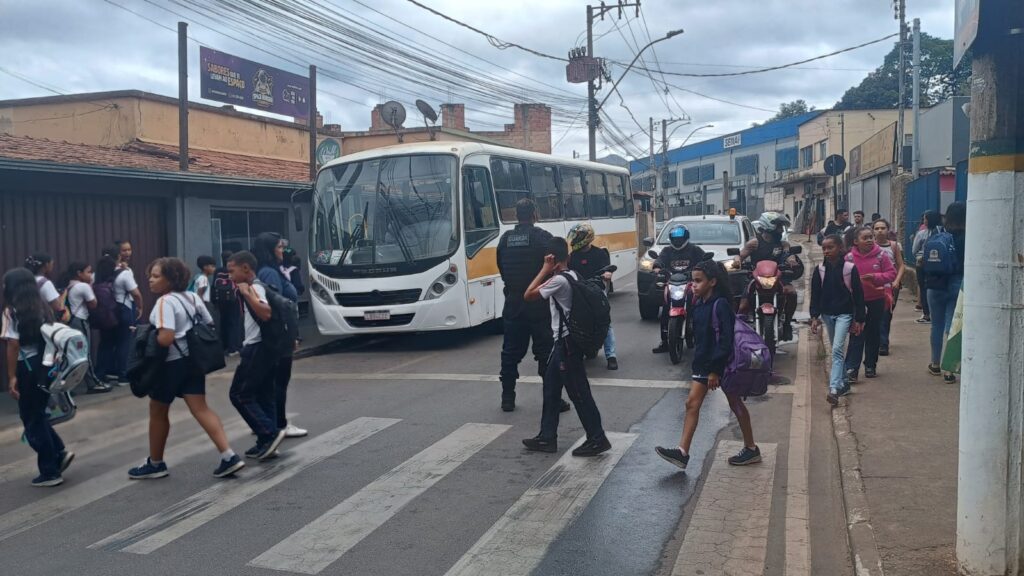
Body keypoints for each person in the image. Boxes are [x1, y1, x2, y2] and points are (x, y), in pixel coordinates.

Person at [127, 257, 245, 480]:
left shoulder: (164, 302)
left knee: (158, 410)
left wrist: (146, 336)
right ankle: (228, 455)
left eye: (156, 276)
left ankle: (156, 463)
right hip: (192, 361)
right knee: (201, 409)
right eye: (150, 276)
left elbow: (166, 338)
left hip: (169, 365)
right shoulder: (192, 297)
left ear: (171, 279)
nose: (150, 280)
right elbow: (209, 322)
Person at [655, 260, 761, 469]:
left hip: (721, 365)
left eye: (698, 281)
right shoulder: (699, 303)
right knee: (691, 404)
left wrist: (715, 371)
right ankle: (682, 452)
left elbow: (725, 340)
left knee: (735, 404)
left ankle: (751, 448)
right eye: (692, 281)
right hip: (704, 363)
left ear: (712, 282)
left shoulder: (720, 305)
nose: (693, 285)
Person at [521, 237, 611, 457]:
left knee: (579, 392)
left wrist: (544, 270)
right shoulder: (573, 274)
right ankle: (547, 437)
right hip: (563, 343)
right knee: (551, 389)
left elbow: (528, 295)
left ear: (551, 259)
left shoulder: (559, 280)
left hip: (567, 344)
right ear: (568, 256)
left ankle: (597, 438)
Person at [3, 268, 73, 487]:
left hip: (27, 368)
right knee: (38, 414)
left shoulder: (12, 311)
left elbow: (13, 344)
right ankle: (59, 452)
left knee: (31, 418)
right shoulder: (42, 307)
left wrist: (11, 377)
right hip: (45, 365)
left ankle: (50, 471)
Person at [497, 198, 557, 413]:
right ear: (534, 215)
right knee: (545, 352)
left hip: (513, 303)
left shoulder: (505, 240)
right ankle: (553, 400)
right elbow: (553, 268)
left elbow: (502, 270)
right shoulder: (543, 238)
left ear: (516, 215)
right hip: (538, 302)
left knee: (510, 353)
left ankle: (507, 398)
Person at [227, 250, 286, 460]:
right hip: (267, 347)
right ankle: (266, 442)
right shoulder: (257, 286)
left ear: (245, 268)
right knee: (263, 394)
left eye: (232, 271)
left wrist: (246, 293)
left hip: (257, 347)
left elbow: (265, 312)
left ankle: (269, 433)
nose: (230, 276)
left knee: (239, 394)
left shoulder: (255, 287)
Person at [253, 232, 306, 439]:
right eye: (279, 247)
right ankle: (279, 423)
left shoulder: (270, 271)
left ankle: (269, 421)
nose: (283, 251)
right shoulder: (269, 273)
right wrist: (290, 336)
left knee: (272, 382)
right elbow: (278, 308)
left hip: (277, 335)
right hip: (278, 336)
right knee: (278, 382)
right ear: (269, 250)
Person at [810, 235, 865, 405]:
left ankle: (834, 389)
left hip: (844, 314)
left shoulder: (850, 269)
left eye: (830, 247)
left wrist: (859, 319)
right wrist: (814, 317)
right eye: (824, 248)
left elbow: (858, 295)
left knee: (837, 350)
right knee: (836, 349)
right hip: (827, 315)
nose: (826, 251)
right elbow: (815, 295)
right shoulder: (819, 270)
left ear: (840, 248)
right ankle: (844, 384)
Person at [737, 212, 802, 342]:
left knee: (792, 293)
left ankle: (787, 324)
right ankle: (738, 332)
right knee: (743, 306)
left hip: (778, 278)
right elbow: (740, 255)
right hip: (756, 278)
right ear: (769, 226)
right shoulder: (754, 243)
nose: (781, 230)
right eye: (778, 226)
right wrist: (737, 261)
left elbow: (788, 255)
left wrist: (792, 261)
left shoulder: (783, 244)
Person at [844, 227, 897, 381]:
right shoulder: (849, 258)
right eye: (865, 238)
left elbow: (891, 274)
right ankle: (852, 368)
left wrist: (875, 277)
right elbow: (843, 278)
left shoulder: (881, 255)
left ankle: (870, 365)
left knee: (873, 333)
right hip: (856, 302)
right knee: (857, 333)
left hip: (876, 299)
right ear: (856, 241)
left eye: (870, 237)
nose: (869, 240)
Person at [567, 223, 618, 370]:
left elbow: (607, 270)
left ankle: (611, 356)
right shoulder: (572, 256)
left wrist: (607, 274)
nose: (575, 239)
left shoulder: (599, 253)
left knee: (605, 322)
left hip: (596, 292)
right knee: (574, 322)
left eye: (578, 237)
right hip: (579, 292)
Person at [925, 202, 966, 383]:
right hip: (957, 282)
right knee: (952, 325)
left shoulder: (938, 234)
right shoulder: (968, 237)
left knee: (936, 325)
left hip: (935, 284)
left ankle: (935, 363)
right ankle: (949, 370)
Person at [651, 224, 706, 354]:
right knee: (665, 309)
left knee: (698, 306)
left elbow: (704, 261)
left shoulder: (695, 250)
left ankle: (699, 336)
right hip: (672, 283)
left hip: (689, 283)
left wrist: (703, 267)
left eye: (680, 238)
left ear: (686, 237)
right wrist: (657, 267)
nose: (677, 240)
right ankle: (664, 342)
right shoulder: (667, 251)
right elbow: (659, 260)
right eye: (675, 238)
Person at [60, 261, 111, 394]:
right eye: (88, 272)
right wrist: (90, 286)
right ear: (79, 273)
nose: (91, 274)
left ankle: (65, 386)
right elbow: (93, 304)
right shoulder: (83, 286)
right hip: (80, 321)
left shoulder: (68, 284)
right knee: (84, 353)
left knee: (70, 354)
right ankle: (92, 383)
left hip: (69, 322)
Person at [106, 240, 143, 386]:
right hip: (125, 307)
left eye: (129, 249)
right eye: (124, 250)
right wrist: (140, 307)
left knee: (112, 341)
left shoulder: (103, 270)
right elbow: (136, 294)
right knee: (125, 342)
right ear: (117, 253)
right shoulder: (125, 272)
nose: (128, 253)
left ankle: (110, 371)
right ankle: (123, 375)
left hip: (110, 309)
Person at [873, 219, 906, 356]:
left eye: (883, 228)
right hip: (874, 286)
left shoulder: (894, 246)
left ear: (888, 230)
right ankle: (878, 341)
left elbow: (901, 265)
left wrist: (897, 281)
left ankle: (883, 343)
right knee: (874, 314)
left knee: (886, 314)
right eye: (877, 228)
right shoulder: (869, 245)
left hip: (891, 286)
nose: (880, 231)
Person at [912, 211, 942, 324]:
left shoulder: (921, 234)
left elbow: (914, 250)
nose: (923, 221)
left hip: (923, 264)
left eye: (925, 218)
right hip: (940, 264)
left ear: (928, 220)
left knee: (924, 288)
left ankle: (926, 314)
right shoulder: (943, 232)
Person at [213, 250, 242, 355]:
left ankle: (224, 346)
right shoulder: (233, 271)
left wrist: (214, 301)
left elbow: (214, 286)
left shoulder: (218, 271)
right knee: (233, 323)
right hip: (233, 300)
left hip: (221, 302)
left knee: (223, 322)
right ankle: (233, 347)